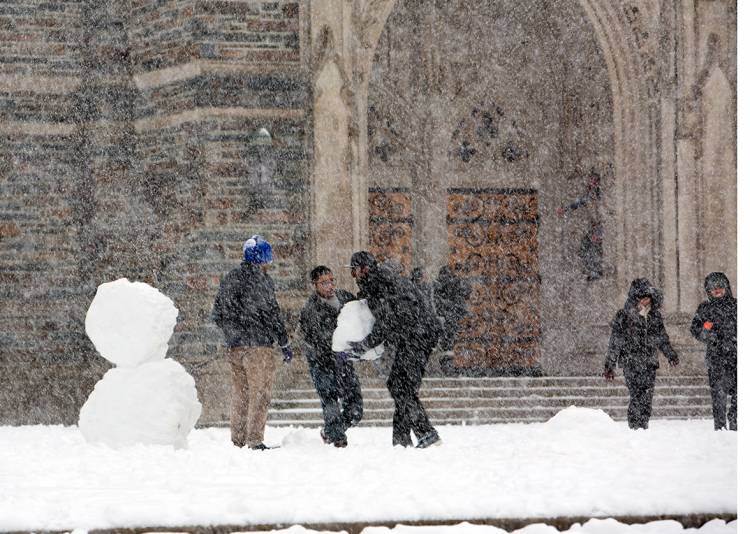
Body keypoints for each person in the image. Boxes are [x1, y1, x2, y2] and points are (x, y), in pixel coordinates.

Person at [346, 251, 442, 448]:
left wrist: (364, 345)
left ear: (364, 269)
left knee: (401, 387)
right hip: (416, 336)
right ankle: (401, 439)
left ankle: (426, 433)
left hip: (417, 337)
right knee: (399, 385)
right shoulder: (380, 281)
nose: (353, 277)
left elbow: (386, 322)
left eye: (354, 271)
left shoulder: (379, 284)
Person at [212, 235, 293, 450]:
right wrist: (284, 342)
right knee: (260, 394)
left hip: (235, 347)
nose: (269, 264)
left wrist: (233, 335)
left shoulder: (230, 278)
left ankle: (237, 438)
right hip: (259, 347)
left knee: (241, 394)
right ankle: (255, 439)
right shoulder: (262, 281)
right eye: (268, 259)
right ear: (262, 259)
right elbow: (271, 314)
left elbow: (217, 313)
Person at [299, 265, 363, 448]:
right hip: (322, 362)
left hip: (344, 361)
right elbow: (317, 338)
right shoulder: (311, 309)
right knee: (330, 400)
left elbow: (360, 311)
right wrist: (335, 349)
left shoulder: (344, 298)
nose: (329, 286)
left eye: (331, 281)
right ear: (315, 285)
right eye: (324, 282)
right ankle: (337, 440)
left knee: (355, 407)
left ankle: (331, 431)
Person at [603, 278, 679, 429]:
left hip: (649, 362)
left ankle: (643, 425)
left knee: (647, 396)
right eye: (641, 298)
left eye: (647, 298)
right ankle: (634, 426)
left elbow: (661, 338)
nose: (645, 301)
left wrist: (670, 355)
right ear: (635, 298)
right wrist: (609, 365)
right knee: (636, 395)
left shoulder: (655, 316)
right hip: (630, 362)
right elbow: (615, 341)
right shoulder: (623, 315)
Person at [690, 272, 737, 431]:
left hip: (737, 358)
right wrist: (707, 333)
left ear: (726, 288)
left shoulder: (737, 306)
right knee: (719, 397)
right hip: (717, 360)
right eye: (712, 289)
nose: (716, 291)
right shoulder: (705, 308)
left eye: (719, 288)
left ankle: (736, 423)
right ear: (708, 291)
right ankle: (721, 429)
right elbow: (696, 330)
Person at [432, 265, 472, 356]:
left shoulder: (449, 282)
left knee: (448, 328)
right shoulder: (457, 282)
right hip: (451, 311)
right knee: (451, 328)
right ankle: (447, 346)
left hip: (447, 311)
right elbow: (467, 294)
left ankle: (445, 345)